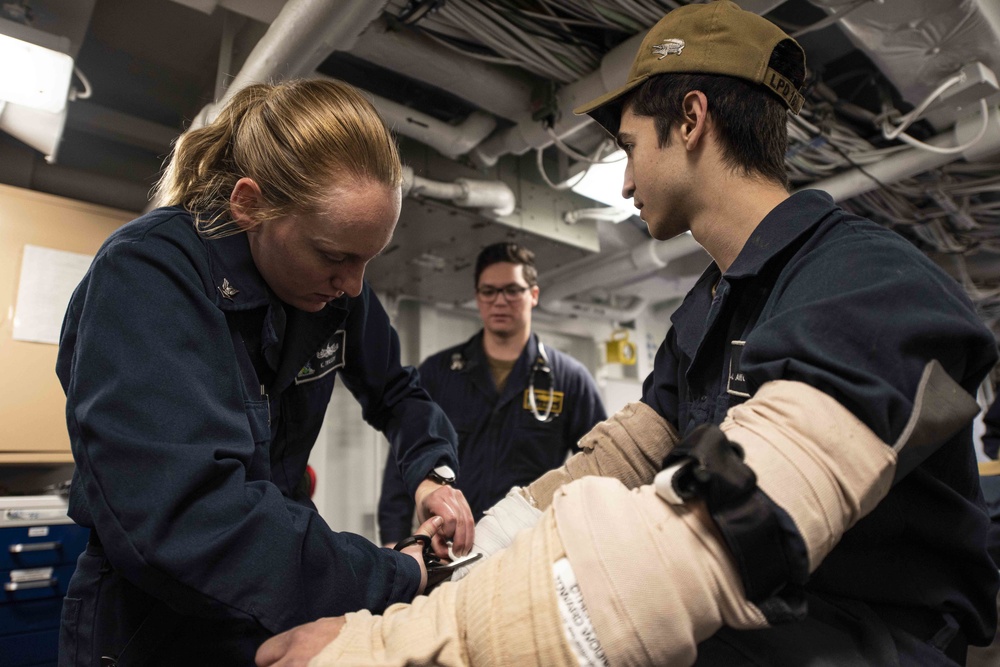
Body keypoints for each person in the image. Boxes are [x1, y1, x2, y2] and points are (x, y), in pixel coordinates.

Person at [255, 3, 999, 666]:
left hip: (860, 642)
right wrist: (457, 561)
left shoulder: (862, 282)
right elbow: (616, 461)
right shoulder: (711, 306)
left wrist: (390, 647)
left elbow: (715, 542)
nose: (622, 182)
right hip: (756, 629)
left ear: (692, 119)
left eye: (632, 146)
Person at [55, 78, 475, 666]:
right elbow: (190, 521)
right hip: (155, 624)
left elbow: (398, 393)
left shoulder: (336, 293)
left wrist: (433, 472)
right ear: (249, 204)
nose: (353, 286)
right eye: (334, 257)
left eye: (366, 261)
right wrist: (398, 571)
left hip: (280, 591)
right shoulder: (147, 275)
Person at [377, 242, 607, 545]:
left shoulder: (569, 379)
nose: (500, 301)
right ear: (477, 298)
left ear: (533, 295)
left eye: (512, 290)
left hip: (531, 548)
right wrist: (394, 544)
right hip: (451, 549)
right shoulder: (439, 372)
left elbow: (598, 469)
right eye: (489, 291)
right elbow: (402, 463)